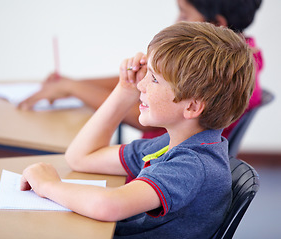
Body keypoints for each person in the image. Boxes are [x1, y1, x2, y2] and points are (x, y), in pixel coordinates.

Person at [20, 22, 255, 239]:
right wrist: (124, 89)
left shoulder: (192, 164)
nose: (141, 84)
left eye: (153, 79)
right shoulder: (174, 144)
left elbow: (108, 205)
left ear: (192, 106)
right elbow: (81, 158)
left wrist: (48, 186)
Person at [18, 0, 263, 141]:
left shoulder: (221, 71)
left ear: (216, 24)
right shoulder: (237, 57)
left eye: (184, 14)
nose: (177, 21)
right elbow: (137, 77)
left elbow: (144, 117)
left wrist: (73, 88)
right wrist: (72, 84)